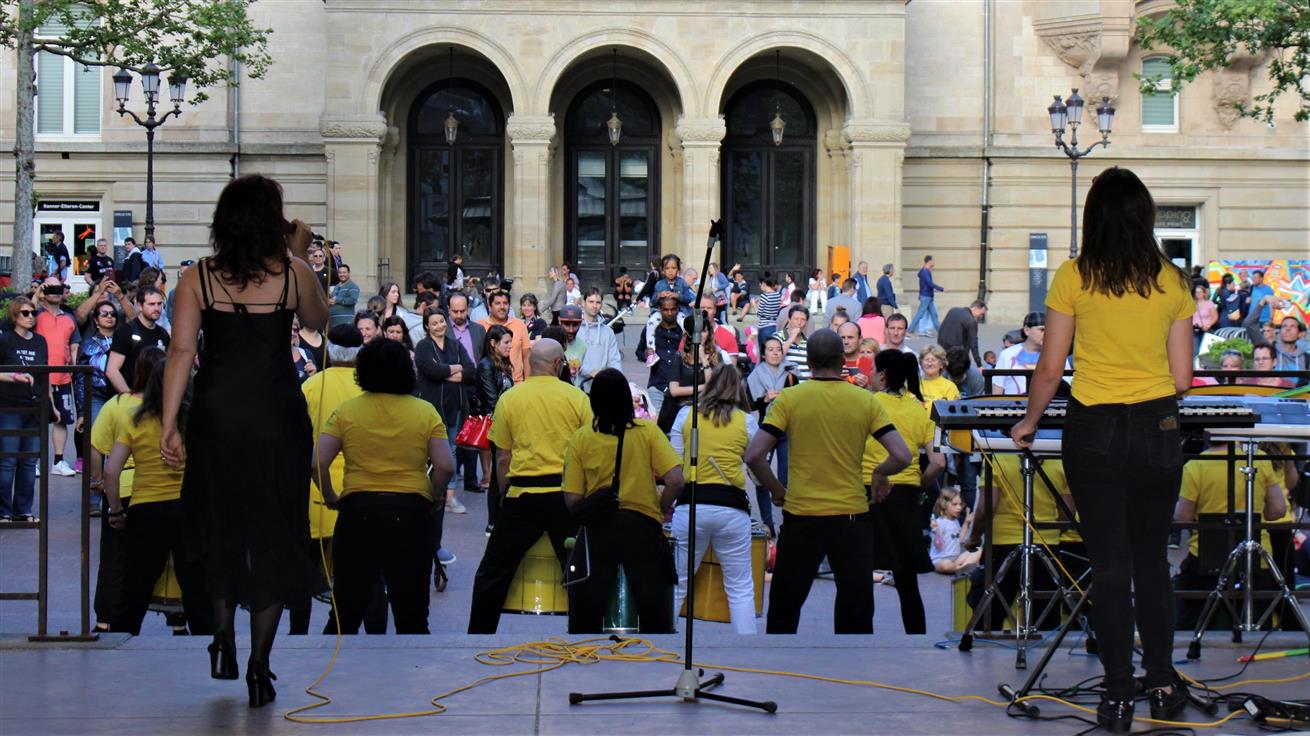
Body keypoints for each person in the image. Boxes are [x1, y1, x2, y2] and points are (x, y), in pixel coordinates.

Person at [1010, 167, 1195, 732]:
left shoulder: (1074, 276)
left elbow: (1049, 366)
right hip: (1157, 427)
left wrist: (1029, 420)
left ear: (1093, 217)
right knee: (1151, 565)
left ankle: (1116, 697)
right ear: (1146, 216)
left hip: (1093, 430)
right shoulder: (1171, 280)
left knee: (1110, 567)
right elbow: (1183, 377)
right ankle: (1162, 683)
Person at [160, 174, 330, 708]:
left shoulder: (197, 278)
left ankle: (221, 639)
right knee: (275, 536)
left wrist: (169, 422)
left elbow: (181, 354)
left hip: (217, 418)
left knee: (218, 528)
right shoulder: (292, 274)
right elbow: (318, 322)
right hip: (277, 418)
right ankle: (261, 663)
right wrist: (299, 255)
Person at [745, 330, 911, 634]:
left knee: (784, 609)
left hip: (801, 516)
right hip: (851, 517)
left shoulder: (790, 399)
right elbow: (902, 455)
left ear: (808, 362)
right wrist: (879, 473)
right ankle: (851, 673)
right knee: (856, 611)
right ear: (841, 360)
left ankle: (783, 672)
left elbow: (754, 455)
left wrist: (777, 490)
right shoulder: (864, 400)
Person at [314, 338, 452, 635]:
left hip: (358, 512)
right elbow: (445, 466)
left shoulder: (347, 412)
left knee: (345, 613)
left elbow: (316, 463)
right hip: (410, 512)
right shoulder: (425, 411)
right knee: (413, 614)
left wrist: (330, 496)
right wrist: (434, 495)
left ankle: (333, 676)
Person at [468, 339, 593, 634]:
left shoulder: (511, 398)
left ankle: (479, 635)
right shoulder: (577, 398)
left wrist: (502, 497)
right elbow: (589, 449)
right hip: (565, 496)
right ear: (558, 364)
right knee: (578, 572)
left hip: (522, 495)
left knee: (493, 572)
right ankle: (585, 634)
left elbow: (503, 458)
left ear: (530, 364)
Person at [562, 368, 684, 634]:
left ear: (594, 400)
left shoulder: (582, 437)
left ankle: (587, 658)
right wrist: (659, 510)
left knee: (588, 609)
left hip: (599, 529)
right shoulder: (647, 432)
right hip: (642, 527)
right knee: (653, 609)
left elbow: (572, 499)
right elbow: (676, 479)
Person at [103, 357, 214, 637]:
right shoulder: (200, 421)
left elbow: (112, 471)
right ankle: (208, 644)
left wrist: (116, 510)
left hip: (146, 510)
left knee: (135, 585)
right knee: (197, 586)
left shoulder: (135, 421)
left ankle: (121, 641)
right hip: (190, 510)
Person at [667, 364, 757, 634]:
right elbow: (755, 465)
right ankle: (747, 646)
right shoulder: (747, 421)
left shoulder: (686, 416)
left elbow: (675, 465)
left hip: (691, 506)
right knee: (740, 587)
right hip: (732, 509)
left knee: (677, 583)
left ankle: (662, 642)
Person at [862, 349, 944, 634]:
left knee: (862, 577)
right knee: (907, 580)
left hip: (869, 493)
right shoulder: (919, 409)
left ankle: (860, 640)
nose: (870, 376)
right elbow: (938, 462)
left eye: (873, 370)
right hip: (906, 495)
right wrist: (918, 484)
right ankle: (917, 637)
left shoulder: (868, 405)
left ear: (882, 375)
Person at [292, 325, 366, 636]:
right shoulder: (367, 387)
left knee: (304, 571)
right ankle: (337, 626)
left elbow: (296, 435)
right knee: (353, 570)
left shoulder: (311, 385)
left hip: (314, 487)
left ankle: (299, 631)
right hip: (356, 486)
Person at [88, 347, 164, 632]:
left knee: (113, 556)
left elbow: (96, 448)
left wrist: (97, 481)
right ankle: (178, 617)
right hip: (156, 490)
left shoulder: (118, 404)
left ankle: (106, 618)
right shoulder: (170, 407)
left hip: (120, 486)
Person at [1172, 439, 1286, 629]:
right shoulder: (1257, 459)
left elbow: (1183, 515)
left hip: (1205, 556)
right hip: (1256, 557)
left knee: (1191, 619)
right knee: (1259, 619)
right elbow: (1277, 510)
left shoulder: (1195, 465)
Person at [414, 307, 476, 520]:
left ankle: (449, 496)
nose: (439, 326)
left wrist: (447, 371)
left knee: (449, 450)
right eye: (434, 323)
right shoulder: (423, 346)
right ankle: (423, 491)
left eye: (441, 321)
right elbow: (430, 371)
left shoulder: (455, 345)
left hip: (454, 407)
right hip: (430, 408)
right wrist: (454, 368)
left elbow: (471, 372)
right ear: (427, 327)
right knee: (425, 450)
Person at [0, 298, 48, 524]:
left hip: (34, 407)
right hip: (9, 406)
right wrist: (15, 376)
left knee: (29, 462)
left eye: (33, 312)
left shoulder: (40, 342)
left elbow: (44, 377)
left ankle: (23, 509)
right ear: (14, 317)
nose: (30, 316)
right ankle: (3, 511)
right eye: (25, 313)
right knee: (8, 461)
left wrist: (52, 406)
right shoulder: (5, 340)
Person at [745, 336, 794, 538]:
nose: (775, 353)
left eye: (778, 349)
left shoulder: (792, 374)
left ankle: (789, 521)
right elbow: (750, 405)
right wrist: (765, 398)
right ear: (763, 354)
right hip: (766, 427)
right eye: (771, 349)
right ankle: (768, 523)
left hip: (787, 429)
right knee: (761, 476)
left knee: (786, 478)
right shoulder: (755, 375)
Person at [34, 277, 80, 477]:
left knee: (62, 420)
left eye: (58, 288)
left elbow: (75, 343)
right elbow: (19, 314)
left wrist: (74, 367)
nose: (54, 291)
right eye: (50, 287)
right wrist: (38, 294)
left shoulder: (69, 318)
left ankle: (58, 462)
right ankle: (33, 461)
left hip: (62, 377)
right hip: (39, 377)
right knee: (37, 420)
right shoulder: (34, 314)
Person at [75, 300, 120, 493]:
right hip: (96, 396)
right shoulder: (88, 344)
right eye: (104, 314)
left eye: (112, 314)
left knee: (120, 442)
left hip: (120, 395)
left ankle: (116, 490)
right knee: (95, 441)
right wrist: (81, 410)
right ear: (96, 319)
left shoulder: (123, 339)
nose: (109, 317)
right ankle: (96, 489)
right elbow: (79, 378)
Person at [476, 326, 516, 530]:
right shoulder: (486, 365)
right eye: (506, 342)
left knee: (505, 468)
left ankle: (500, 516)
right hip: (496, 423)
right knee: (499, 468)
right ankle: (493, 520)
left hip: (505, 421)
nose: (510, 346)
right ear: (493, 343)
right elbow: (492, 399)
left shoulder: (504, 363)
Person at [105, 287, 169, 395]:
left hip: (154, 399)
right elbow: (112, 370)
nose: (157, 308)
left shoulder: (163, 334)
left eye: (159, 304)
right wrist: (129, 396)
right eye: (151, 304)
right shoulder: (126, 331)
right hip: (129, 398)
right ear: (140, 305)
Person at [994, 312, 1070, 395]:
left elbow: (1067, 387)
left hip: (1052, 406)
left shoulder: (1058, 356)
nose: (1047, 334)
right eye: (1042, 330)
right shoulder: (1007, 354)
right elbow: (997, 390)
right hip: (1014, 406)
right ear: (1027, 330)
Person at [635, 294, 683, 420]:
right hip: (657, 385)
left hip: (680, 385)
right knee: (657, 424)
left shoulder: (682, 330)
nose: (669, 313)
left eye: (673, 309)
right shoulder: (650, 329)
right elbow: (639, 352)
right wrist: (646, 354)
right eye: (666, 310)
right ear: (660, 310)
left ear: (677, 310)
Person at [575, 288, 623, 393]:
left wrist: (617, 379)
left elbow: (614, 360)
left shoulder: (608, 332)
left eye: (598, 302)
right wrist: (590, 372)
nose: (594, 306)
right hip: (578, 386)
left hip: (602, 387)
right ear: (583, 303)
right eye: (591, 302)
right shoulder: (575, 329)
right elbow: (571, 359)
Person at [478, 288, 531, 383]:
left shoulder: (519, 325)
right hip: (490, 385)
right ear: (490, 306)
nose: (502, 306)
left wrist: (527, 383)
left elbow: (526, 356)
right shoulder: (480, 326)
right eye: (497, 303)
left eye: (505, 303)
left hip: (517, 385)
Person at [929, 488, 979, 574]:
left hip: (955, 558)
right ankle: (960, 568)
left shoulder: (955, 521)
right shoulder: (940, 523)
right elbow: (938, 545)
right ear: (944, 504)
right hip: (940, 560)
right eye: (955, 504)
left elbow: (959, 539)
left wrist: (966, 523)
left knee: (978, 551)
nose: (959, 507)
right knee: (946, 565)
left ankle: (957, 567)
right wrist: (937, 531)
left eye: (960, 504)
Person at [938, 300, 987, 367]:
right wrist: (979, 364)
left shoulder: (953, 310)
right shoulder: (971, 321)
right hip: (956, 354)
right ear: (975, 308)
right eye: (981, 314)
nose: (981, 317)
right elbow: (973, 344)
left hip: (942, 346)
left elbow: (943, 327)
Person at [910, 255, 945, 336]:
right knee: (920, 314)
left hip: (927, 296)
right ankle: (910, 330)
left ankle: (941, 332)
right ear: (929, 261)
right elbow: (930, 284)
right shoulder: (925, 272)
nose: (934, 262)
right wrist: (942, 289)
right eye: (933, 261)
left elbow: (919, 275)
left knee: (934, 314)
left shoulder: (925, 271)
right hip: (926, 296)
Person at [779, 304, 812, 381]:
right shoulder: (778, 337)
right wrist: (791, 339)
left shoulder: (809, 342)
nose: (799, 322)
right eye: (796, 319)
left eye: (803, 319)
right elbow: (775, 358)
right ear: (789, 320)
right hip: (787, 389)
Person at [837, 322, 871, 388]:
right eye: (842, 337)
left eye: (850, 337)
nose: (846, 342)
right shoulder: (830, 364)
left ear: (860, 339)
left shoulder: (870, 364)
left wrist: (867, 386)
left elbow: (878, 394)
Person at [1191, 282, 1218, 355]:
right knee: (1195, 351)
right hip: (1194, 330)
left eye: (1200, 292)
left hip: (1205, 329)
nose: (1198, 294)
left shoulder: (1209, 303)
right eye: (1197, 292)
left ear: (1204, 293)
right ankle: (1196, 365)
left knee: (1204, 351)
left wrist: (1208, 325)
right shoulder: (1192, 303)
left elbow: (1215, 317)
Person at [755, 275, 782, 346]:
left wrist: (755, 305)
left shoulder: (764, 296)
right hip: (775, 325)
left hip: (764, 326)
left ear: (764, 284)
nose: (760, 286)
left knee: (763, 351)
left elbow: (759, 314)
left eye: (761, 284)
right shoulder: (777, 295)